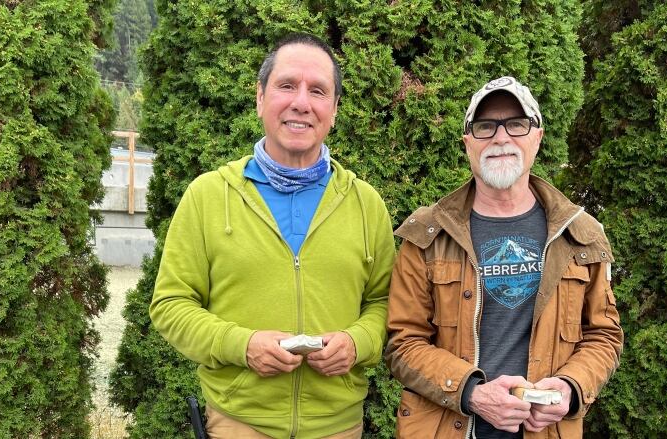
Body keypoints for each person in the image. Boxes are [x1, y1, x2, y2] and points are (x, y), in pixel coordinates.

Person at [150, 33, 395, 439]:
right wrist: (241, 345)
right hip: (239, 424)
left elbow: (386, 303)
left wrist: (357, 343)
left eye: (318, 91)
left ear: (333, 111)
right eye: (286, 86)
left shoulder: (366, 204)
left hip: (338, 427)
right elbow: (171, 305)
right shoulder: (209, 196)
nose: (301, 102)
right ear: (260, 97)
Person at [385, 76, 623, 438]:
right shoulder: (427, 234)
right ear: (467, 143)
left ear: (537, 138)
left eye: (516, 124)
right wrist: (472, 393)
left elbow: (603, 335)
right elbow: (404, 343)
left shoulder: (582, 235)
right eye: (485, 127)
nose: (500, 138)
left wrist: (571, 387)